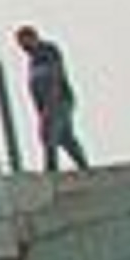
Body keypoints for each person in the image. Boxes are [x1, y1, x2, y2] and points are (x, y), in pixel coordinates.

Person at [19, 24, 91, 170]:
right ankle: (83, 166)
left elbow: (54, 77)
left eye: (24, 42)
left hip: (59, 101)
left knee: (50, 134)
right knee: (65, 137)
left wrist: (49, 106)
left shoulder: (48, 51)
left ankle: (51, 169)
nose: (23, 48)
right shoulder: (32, 60)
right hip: (49, 105)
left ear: (32, 38)